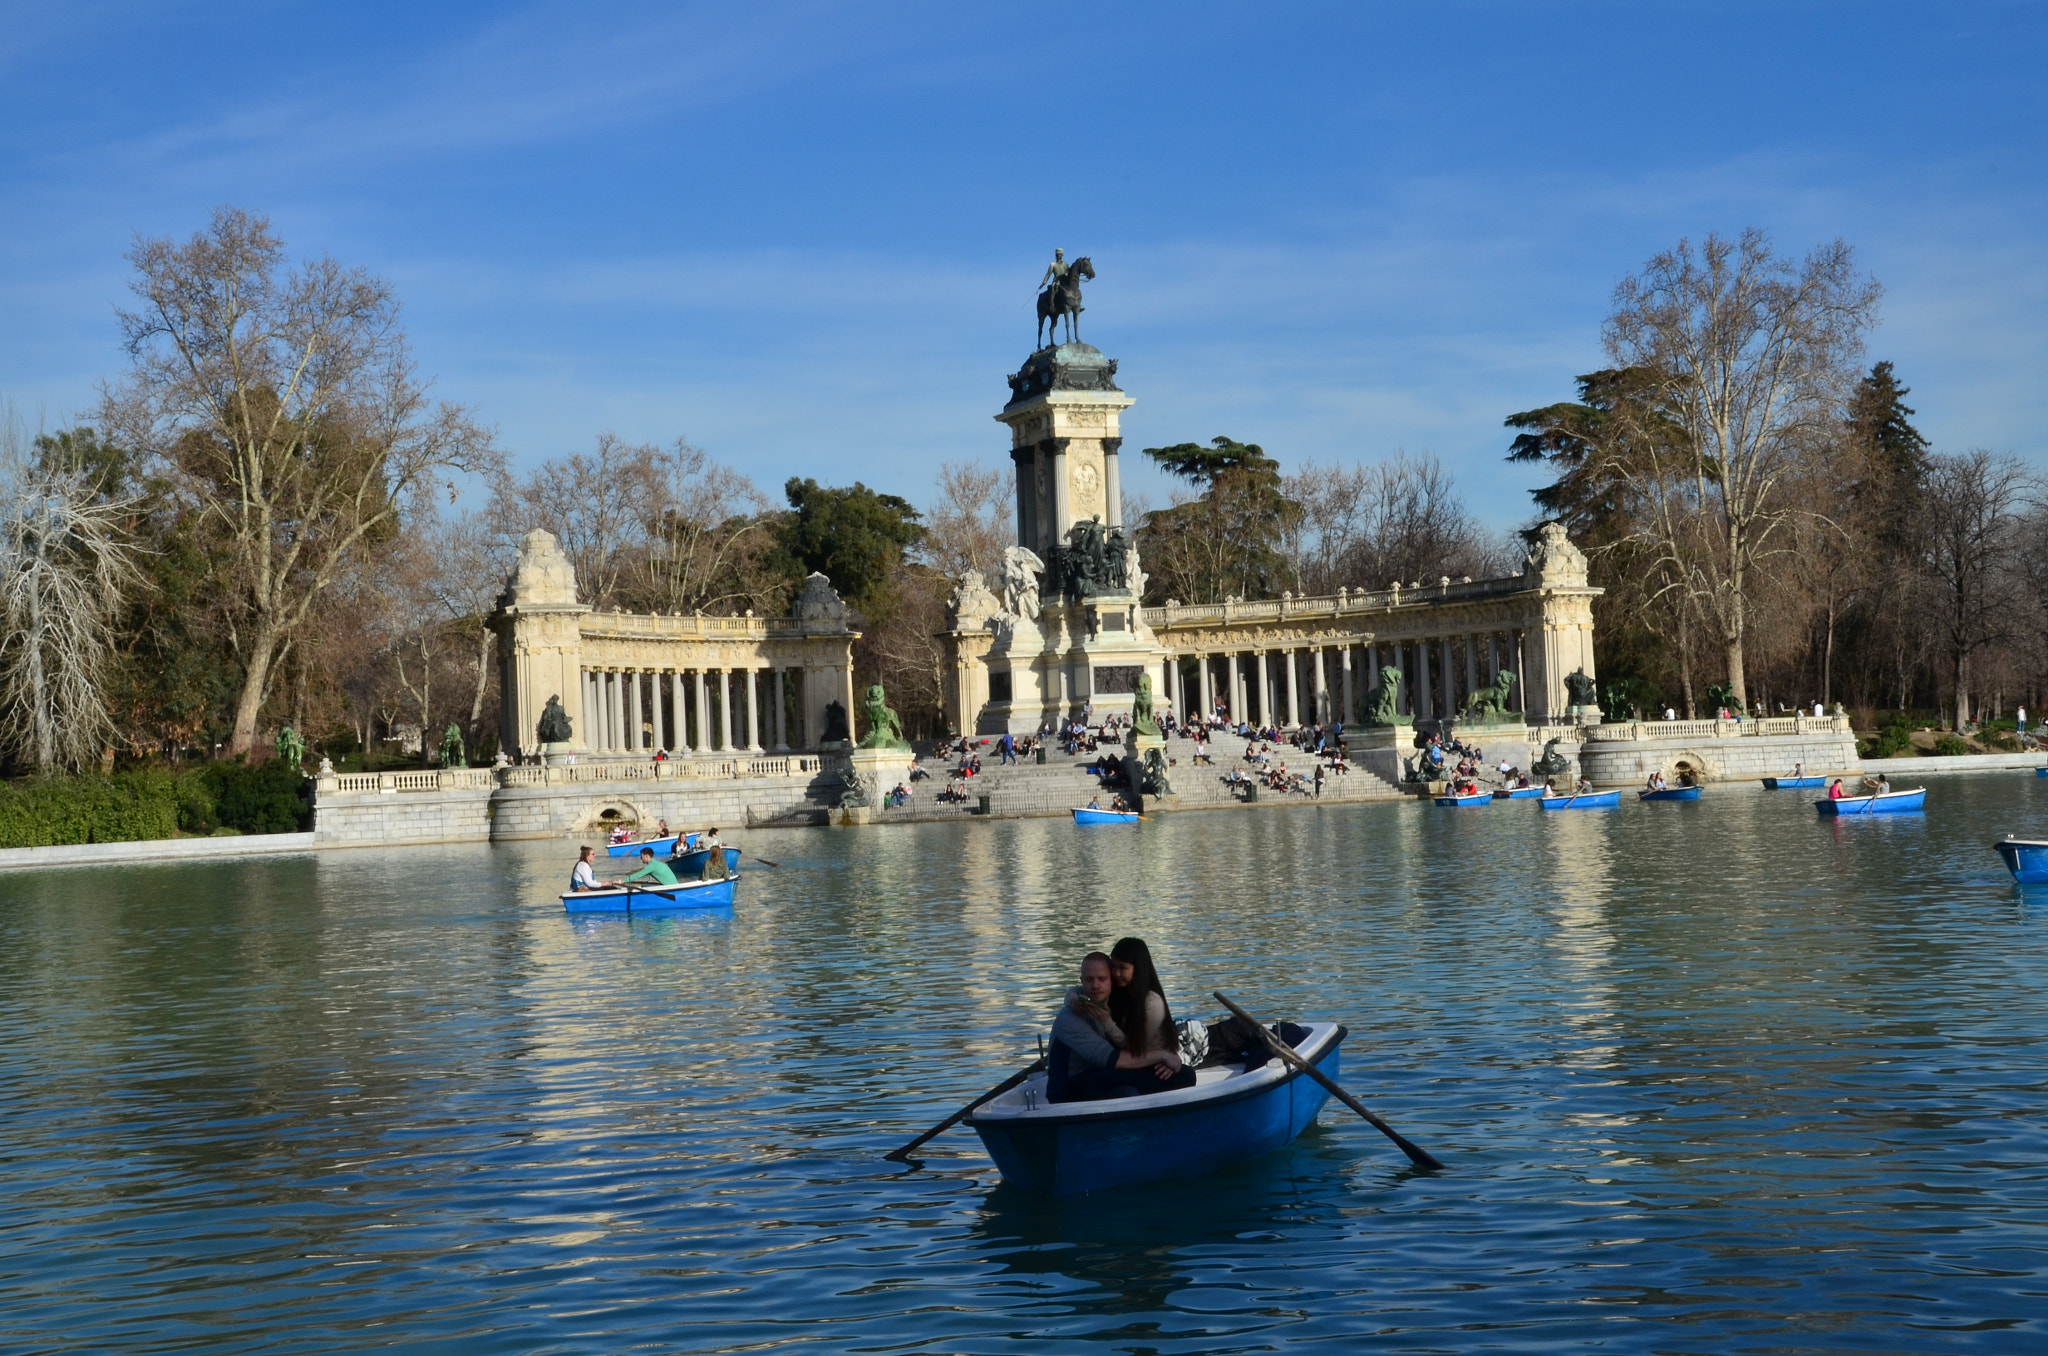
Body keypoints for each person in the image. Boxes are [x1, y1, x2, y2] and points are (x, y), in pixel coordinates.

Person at [1047, 952, 1191, 1103]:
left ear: (1112, 981)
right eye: (1089, 980)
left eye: (1102, 979)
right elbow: (1113, 1059)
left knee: (1130, 1092)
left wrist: (1164, 1061)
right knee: (1183, 1076)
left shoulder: (1111, 1006)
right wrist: (1163, 1056)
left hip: (1100, 1077)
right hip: (1067, 1091)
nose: (1095, 986)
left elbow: (1135, 1045)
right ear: (1081, 981)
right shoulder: (1069, 1018)